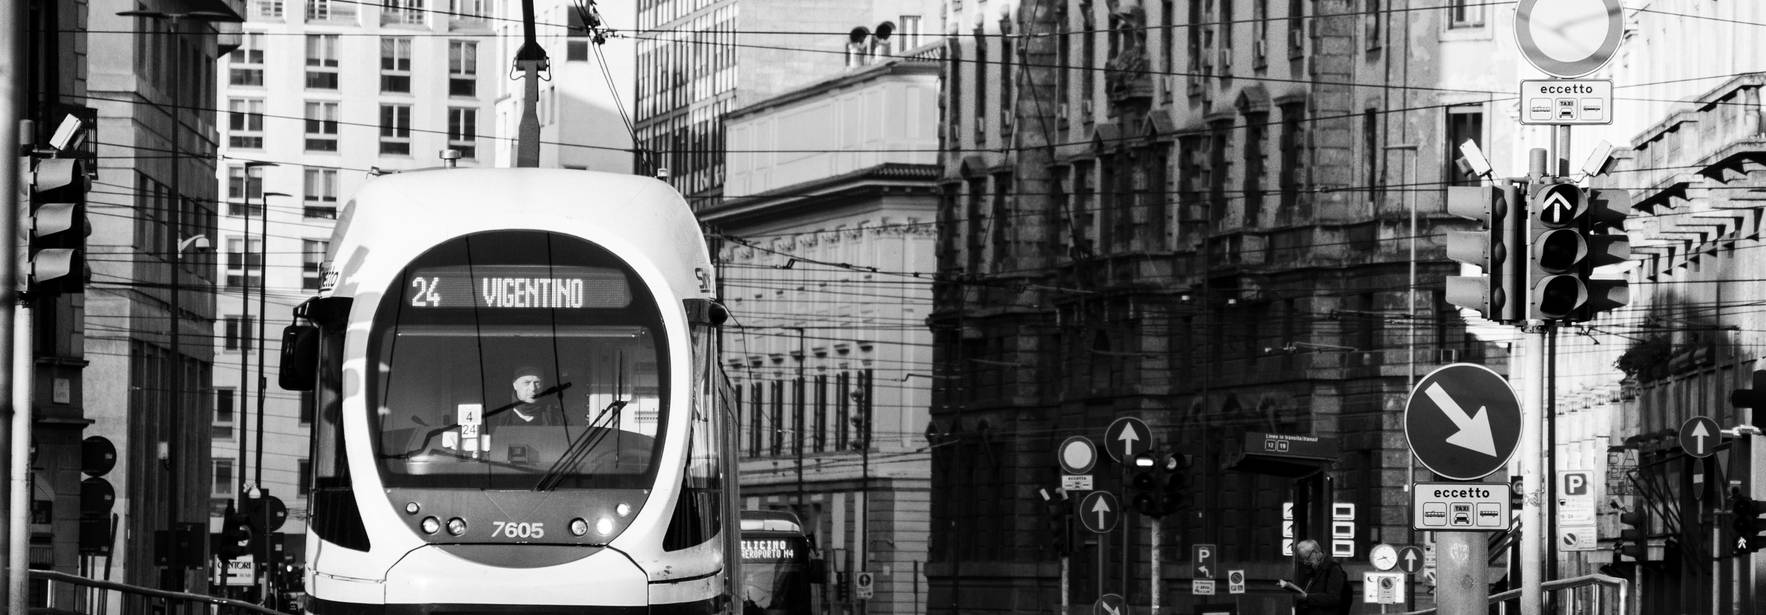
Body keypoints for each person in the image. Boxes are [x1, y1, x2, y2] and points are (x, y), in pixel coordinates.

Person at [487, 366, 569, 429]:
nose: (533, 388)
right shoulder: (498, 418)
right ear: (515, 385)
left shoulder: (556, 417)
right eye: (526, 382)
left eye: (537, 382)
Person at [1288, 538, 1349, 615]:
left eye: (1307, 558)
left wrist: (1307, 597)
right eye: (1302, 559)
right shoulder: (1311, 568)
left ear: (1316, 552)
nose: (1305, 562)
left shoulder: (1333, 568)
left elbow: (1333, 598)